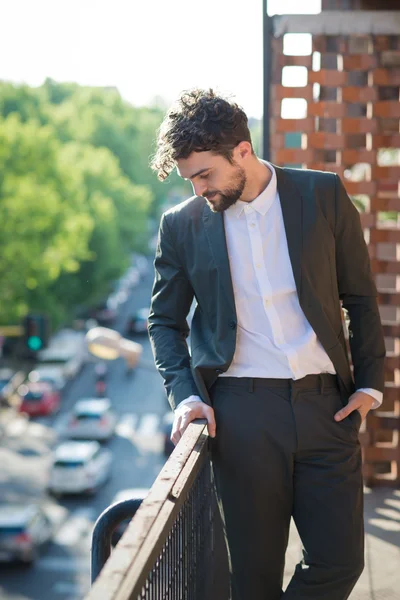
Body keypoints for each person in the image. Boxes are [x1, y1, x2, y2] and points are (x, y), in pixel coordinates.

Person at [148, 88, 386, 600]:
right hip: (242, 415)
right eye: (190, 179)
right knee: (253, 579)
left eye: (205, 174)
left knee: (340, 563)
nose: (199, 189)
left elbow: (361, 297)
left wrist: (369, 385)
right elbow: (163, 322)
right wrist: (186, 395)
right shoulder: (183, 225)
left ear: (242, 150)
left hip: (329, 409)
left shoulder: (321, 195)